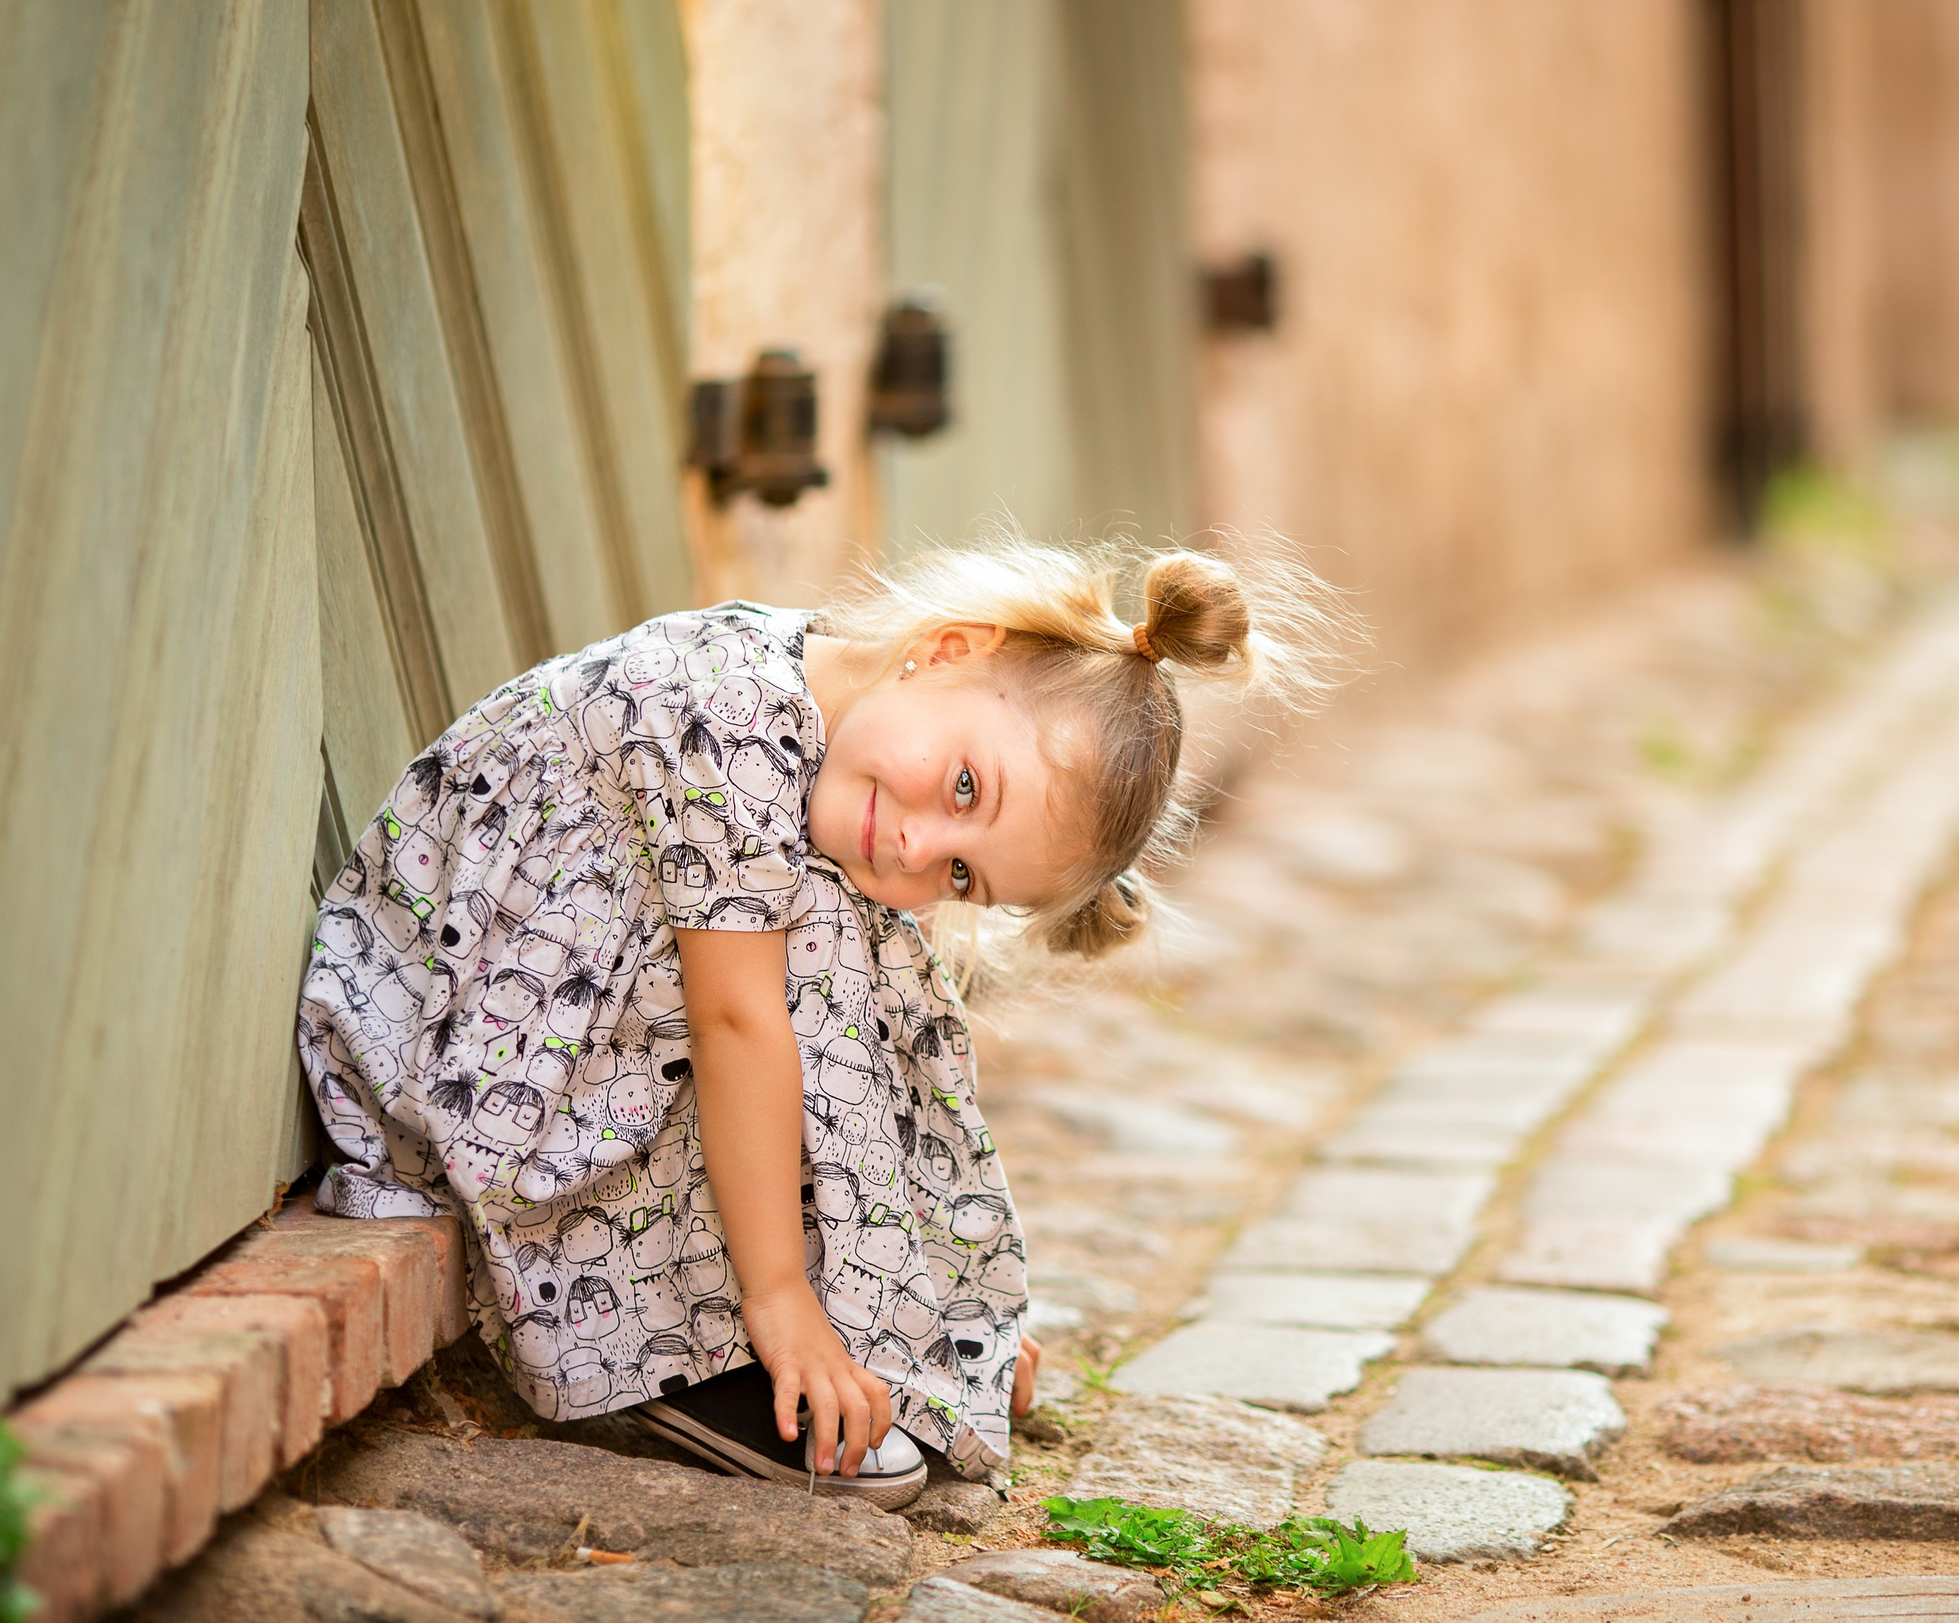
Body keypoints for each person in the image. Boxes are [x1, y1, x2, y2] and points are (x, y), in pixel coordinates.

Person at [293, 538, 1337, 1505]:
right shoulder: (733, 717)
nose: (920, 846)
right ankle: (661, 1343)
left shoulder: (844, 734)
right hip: (445, 1022)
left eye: (964, 873)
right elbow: (737, 1029)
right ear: (943, 651)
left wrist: (913, 1288)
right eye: (966, 785)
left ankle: (887, 1295)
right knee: (811, 953)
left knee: (864, 934)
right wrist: (781, 1303)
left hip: (544, 1000)